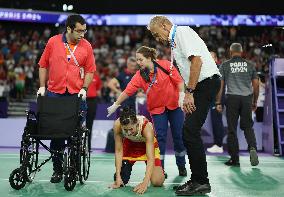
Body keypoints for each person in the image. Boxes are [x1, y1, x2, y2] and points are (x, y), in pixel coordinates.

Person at [147, 16, 221, 196]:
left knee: (189, 131)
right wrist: (187, 93)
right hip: (200, 86)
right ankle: (198, 179)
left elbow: (197, 61)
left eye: (157, 34)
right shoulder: (175, 41)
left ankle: (201, 181)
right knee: (189, 132)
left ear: (165, 25)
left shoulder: (182, 32)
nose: (158, 39)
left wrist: (189, 92)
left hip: (205, 84)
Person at [107, 46, 187, 177]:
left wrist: (182, 94)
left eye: (140, 59)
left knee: (178, 137)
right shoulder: (139, 75)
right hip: (157, 110)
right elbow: (128, 91)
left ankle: (181, 165)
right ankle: (160, 169)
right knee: (160, 138)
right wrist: (116, 104)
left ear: (149, 58)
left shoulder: (165, 65)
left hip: (175, 106)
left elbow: (179, 80)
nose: (138, 63)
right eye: (137, 60)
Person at [37, 14, 96, 183]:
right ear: (69, 29)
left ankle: (75, 169)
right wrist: (42, 86)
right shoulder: (53, 42)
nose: (82, 34)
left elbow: (90, 70)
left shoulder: (87, 46)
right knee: (56, 134)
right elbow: (43, 65)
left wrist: (85, 88)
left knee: (75, 135)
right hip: (55, 93)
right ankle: (57, 170)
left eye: (84, 31)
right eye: (79, 31)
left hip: (76, 95)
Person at [216, 43, 259, 167]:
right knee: (248, 127)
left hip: (232, 98)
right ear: (241, 52)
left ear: (230, 52)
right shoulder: (250, 65)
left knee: (232, 129)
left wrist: (218, 102)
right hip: (246, 98)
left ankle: (235, 159)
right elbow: (256, 85)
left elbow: (221, 84)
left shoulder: (225, 65)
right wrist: (254, 101)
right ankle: (252, 148)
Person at [110, 107, 165, 194]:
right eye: (125, 130)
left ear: (136, 123)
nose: (128, 133)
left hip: (146, 146)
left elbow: (150, 158)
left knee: (157, 182)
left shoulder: (147, 127)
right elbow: (118, 151)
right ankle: (120, 175)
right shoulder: (117, 125)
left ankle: (159, 171)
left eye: (131, 129)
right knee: (121, 180)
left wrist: (145, 182)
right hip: (130, 145)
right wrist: (117, 177)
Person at [207, 52, 225, 153]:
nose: (209, 58)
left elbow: (220, 86)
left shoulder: (217, 69)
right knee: (215, 121)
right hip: (214, 99)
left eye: (212, 57)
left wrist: (219, 102)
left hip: (218, 99)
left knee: (217, 121)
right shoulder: (211, 69)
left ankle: (219, 145)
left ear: (216, 58)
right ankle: (218, 144)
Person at [86, 72, 102, 148]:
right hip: (81, 100)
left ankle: (88, 146)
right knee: (77, 124)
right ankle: (76, 146)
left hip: (92, 101)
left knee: (89, 124)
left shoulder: (96, 77)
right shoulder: (80, 74)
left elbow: (98, 91)